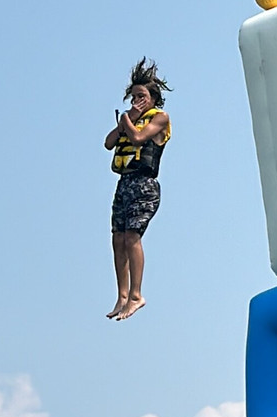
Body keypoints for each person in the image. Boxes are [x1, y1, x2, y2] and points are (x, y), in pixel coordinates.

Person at [104, 58, 172, 321]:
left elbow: (139, 138)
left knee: (132, 236)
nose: (136, 101)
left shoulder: (160, 118)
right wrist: (127, 118)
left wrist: (127, 120)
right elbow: (109, 143)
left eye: (141, 96)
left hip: (144, 185)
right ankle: (122, 295)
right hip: (125, 184)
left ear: (153, 98)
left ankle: (136, 295)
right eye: (133, 97)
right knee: (117, 238)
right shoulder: (129, 119)